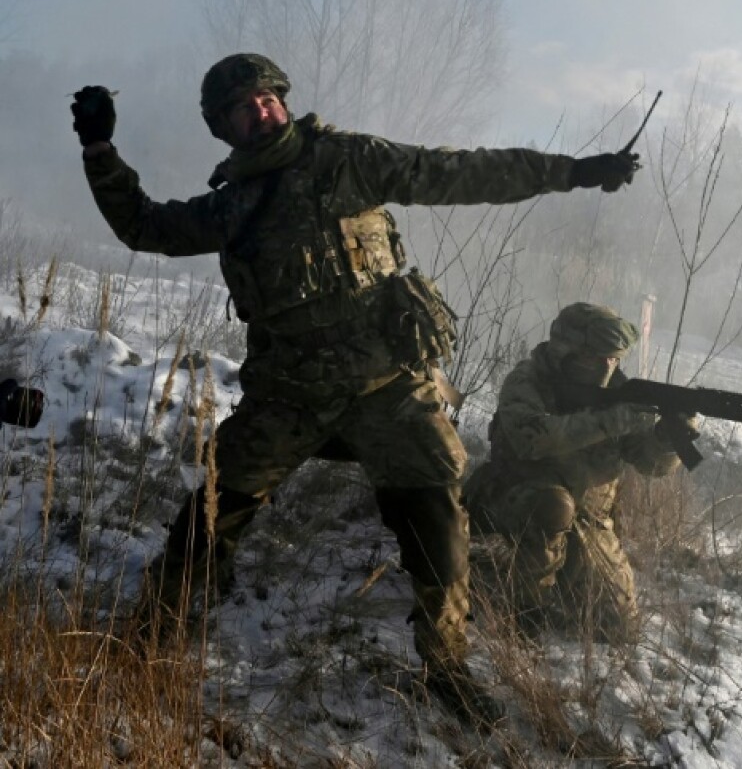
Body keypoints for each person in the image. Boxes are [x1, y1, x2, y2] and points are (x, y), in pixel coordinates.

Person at [70, 54, 641, 723]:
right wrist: (99, 149)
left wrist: (574, 173)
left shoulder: (347, 160)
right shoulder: (233, 207)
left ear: (282, 100)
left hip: (387, 387)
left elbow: (458, 174)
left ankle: (445, 664)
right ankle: (151, 631)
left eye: (265, 99)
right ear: (223, 128)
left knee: (438, 518)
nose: (258, 111)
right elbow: (145, 226)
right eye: (240, 108)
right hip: (291, 393)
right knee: (212, 509)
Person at [462, 303, 693, 643]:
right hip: (514, 495)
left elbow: (650, 463)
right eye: (594, 359)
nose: (605, 368)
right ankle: (524, 614)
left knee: (616, 626)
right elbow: (531, 440)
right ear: (564, 351)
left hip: (587, 516)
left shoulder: (621, 393)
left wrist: (669, 440)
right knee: (552, 506)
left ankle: (548, 571)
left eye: (612, 359)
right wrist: (608, 421)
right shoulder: (528, 380)